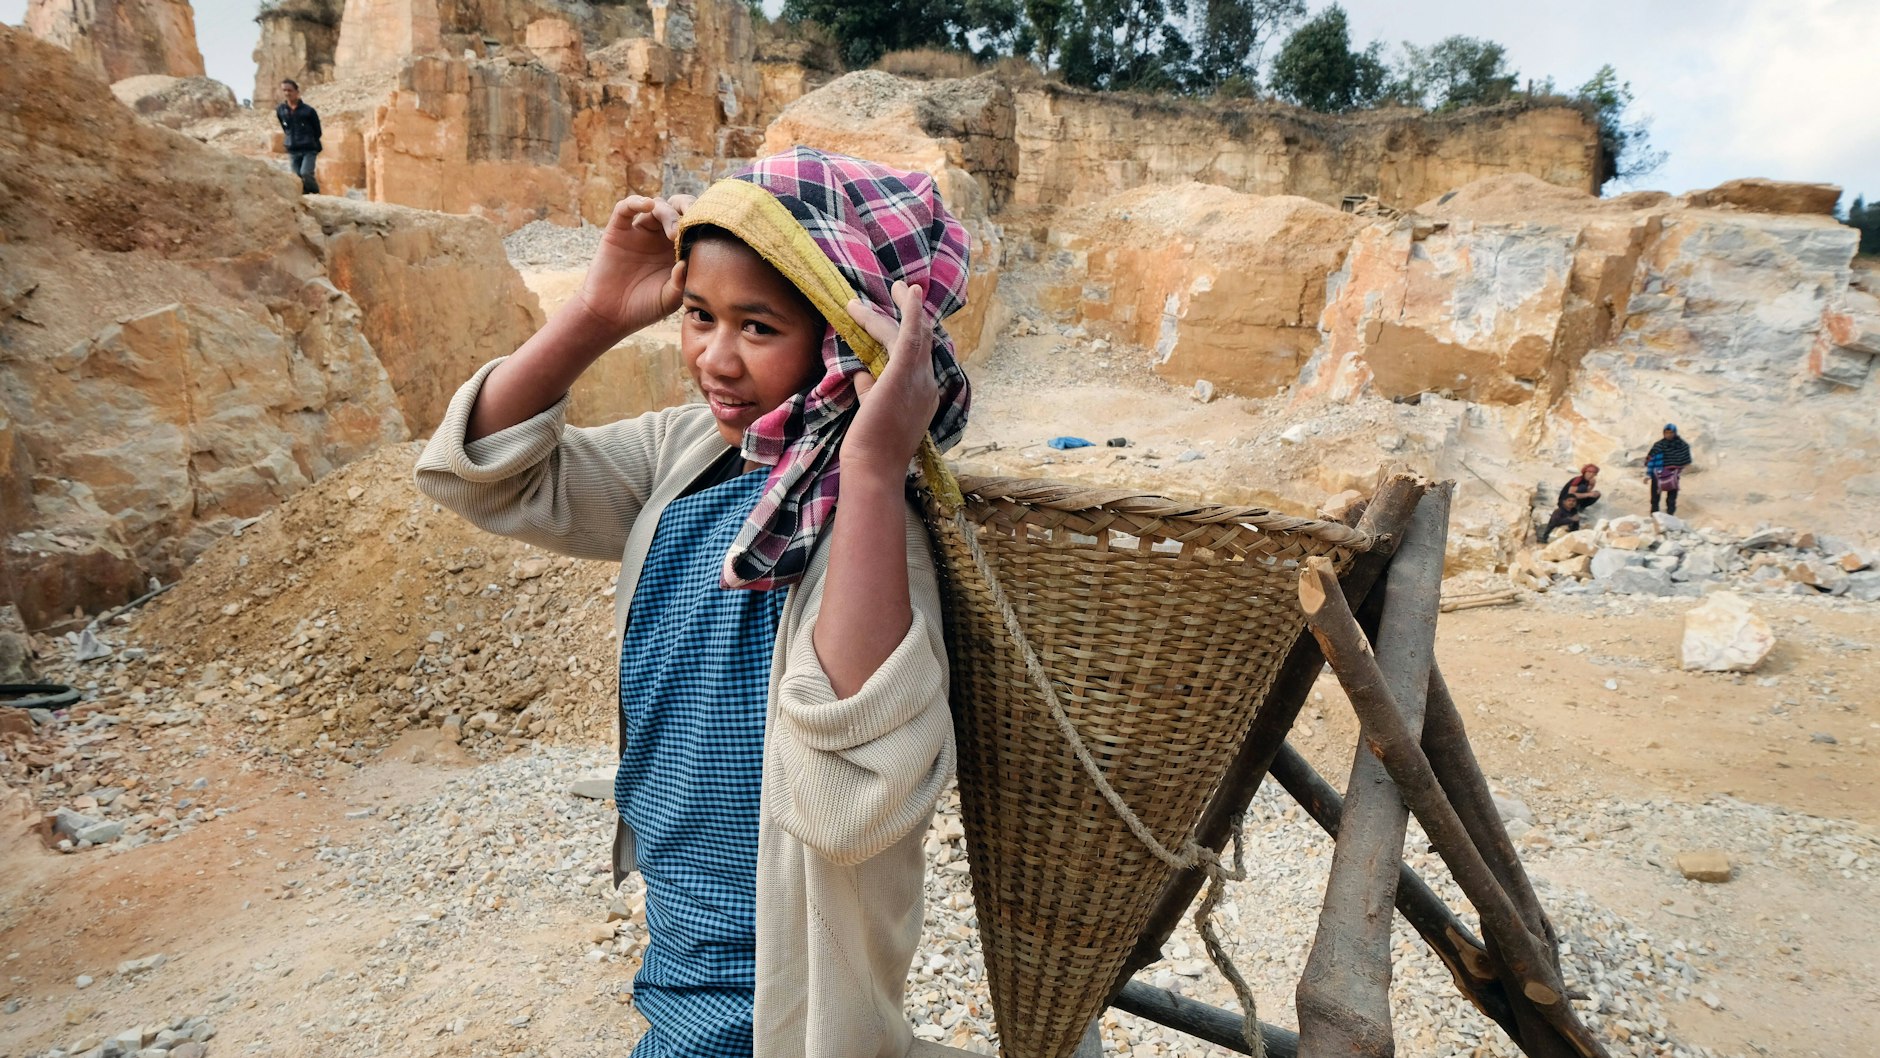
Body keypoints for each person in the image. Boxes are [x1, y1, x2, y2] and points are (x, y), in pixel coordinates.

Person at [415, 148, 969, 1058]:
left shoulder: (873, 525)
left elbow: (846, 806)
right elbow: (485, 473)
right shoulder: (691, 457)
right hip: (682, 923)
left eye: (759, 326)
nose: (715, 357)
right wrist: (597, 314)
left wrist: (873, 468)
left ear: (843, 336)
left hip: (788, 965)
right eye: (700, 315)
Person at [276, 80, 321, 195]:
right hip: (293, 148)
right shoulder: (281, 110)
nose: (287, 93)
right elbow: (285, 127)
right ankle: (304, 196)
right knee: (296, 177)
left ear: (296, 92)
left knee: (306, 173)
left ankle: (315, 193)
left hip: (308, 148)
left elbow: (317, 131)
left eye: (290, 90)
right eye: (284, 90)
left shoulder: (308, 111)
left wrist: (309, 140)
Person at [1645, 423, 1693, 515]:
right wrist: (1648, 474)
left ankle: (1670, 515)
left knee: (1672, 497)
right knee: (1655, 496)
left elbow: (1686, 460)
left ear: (1675, 433)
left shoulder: (1682, 445)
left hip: (1673, 474)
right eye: (1666, 432)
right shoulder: (1659, 445)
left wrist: (1678, 467)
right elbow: (1651, 459)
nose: (1668, 435)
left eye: (1671, 432)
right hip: (1658, 474)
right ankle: (1654, 514)